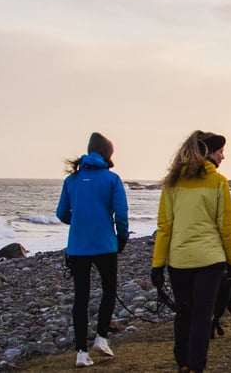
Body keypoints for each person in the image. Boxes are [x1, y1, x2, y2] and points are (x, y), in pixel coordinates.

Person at [151, 130, 231, 373]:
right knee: (203, 316)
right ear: (208, 153)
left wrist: (157, 265)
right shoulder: (219, 182)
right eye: (220, 151)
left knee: (183, 313)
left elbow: (164, 228)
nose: (223, 157)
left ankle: (182, 363)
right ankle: (195, 367)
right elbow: (226, 228)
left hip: (179, 261)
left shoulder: (172, 183)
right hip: (210, 260)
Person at [57, 132, 130, 368]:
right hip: (105, 244)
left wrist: (79, 220)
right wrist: (122, 238)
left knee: (81, 296)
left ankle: (80, 352)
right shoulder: (112, 179)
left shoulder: (72, 180)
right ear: (107, 154)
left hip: (78, 245)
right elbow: (121, 214)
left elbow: (61, 213)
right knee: (109, 290)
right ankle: (101, 337)